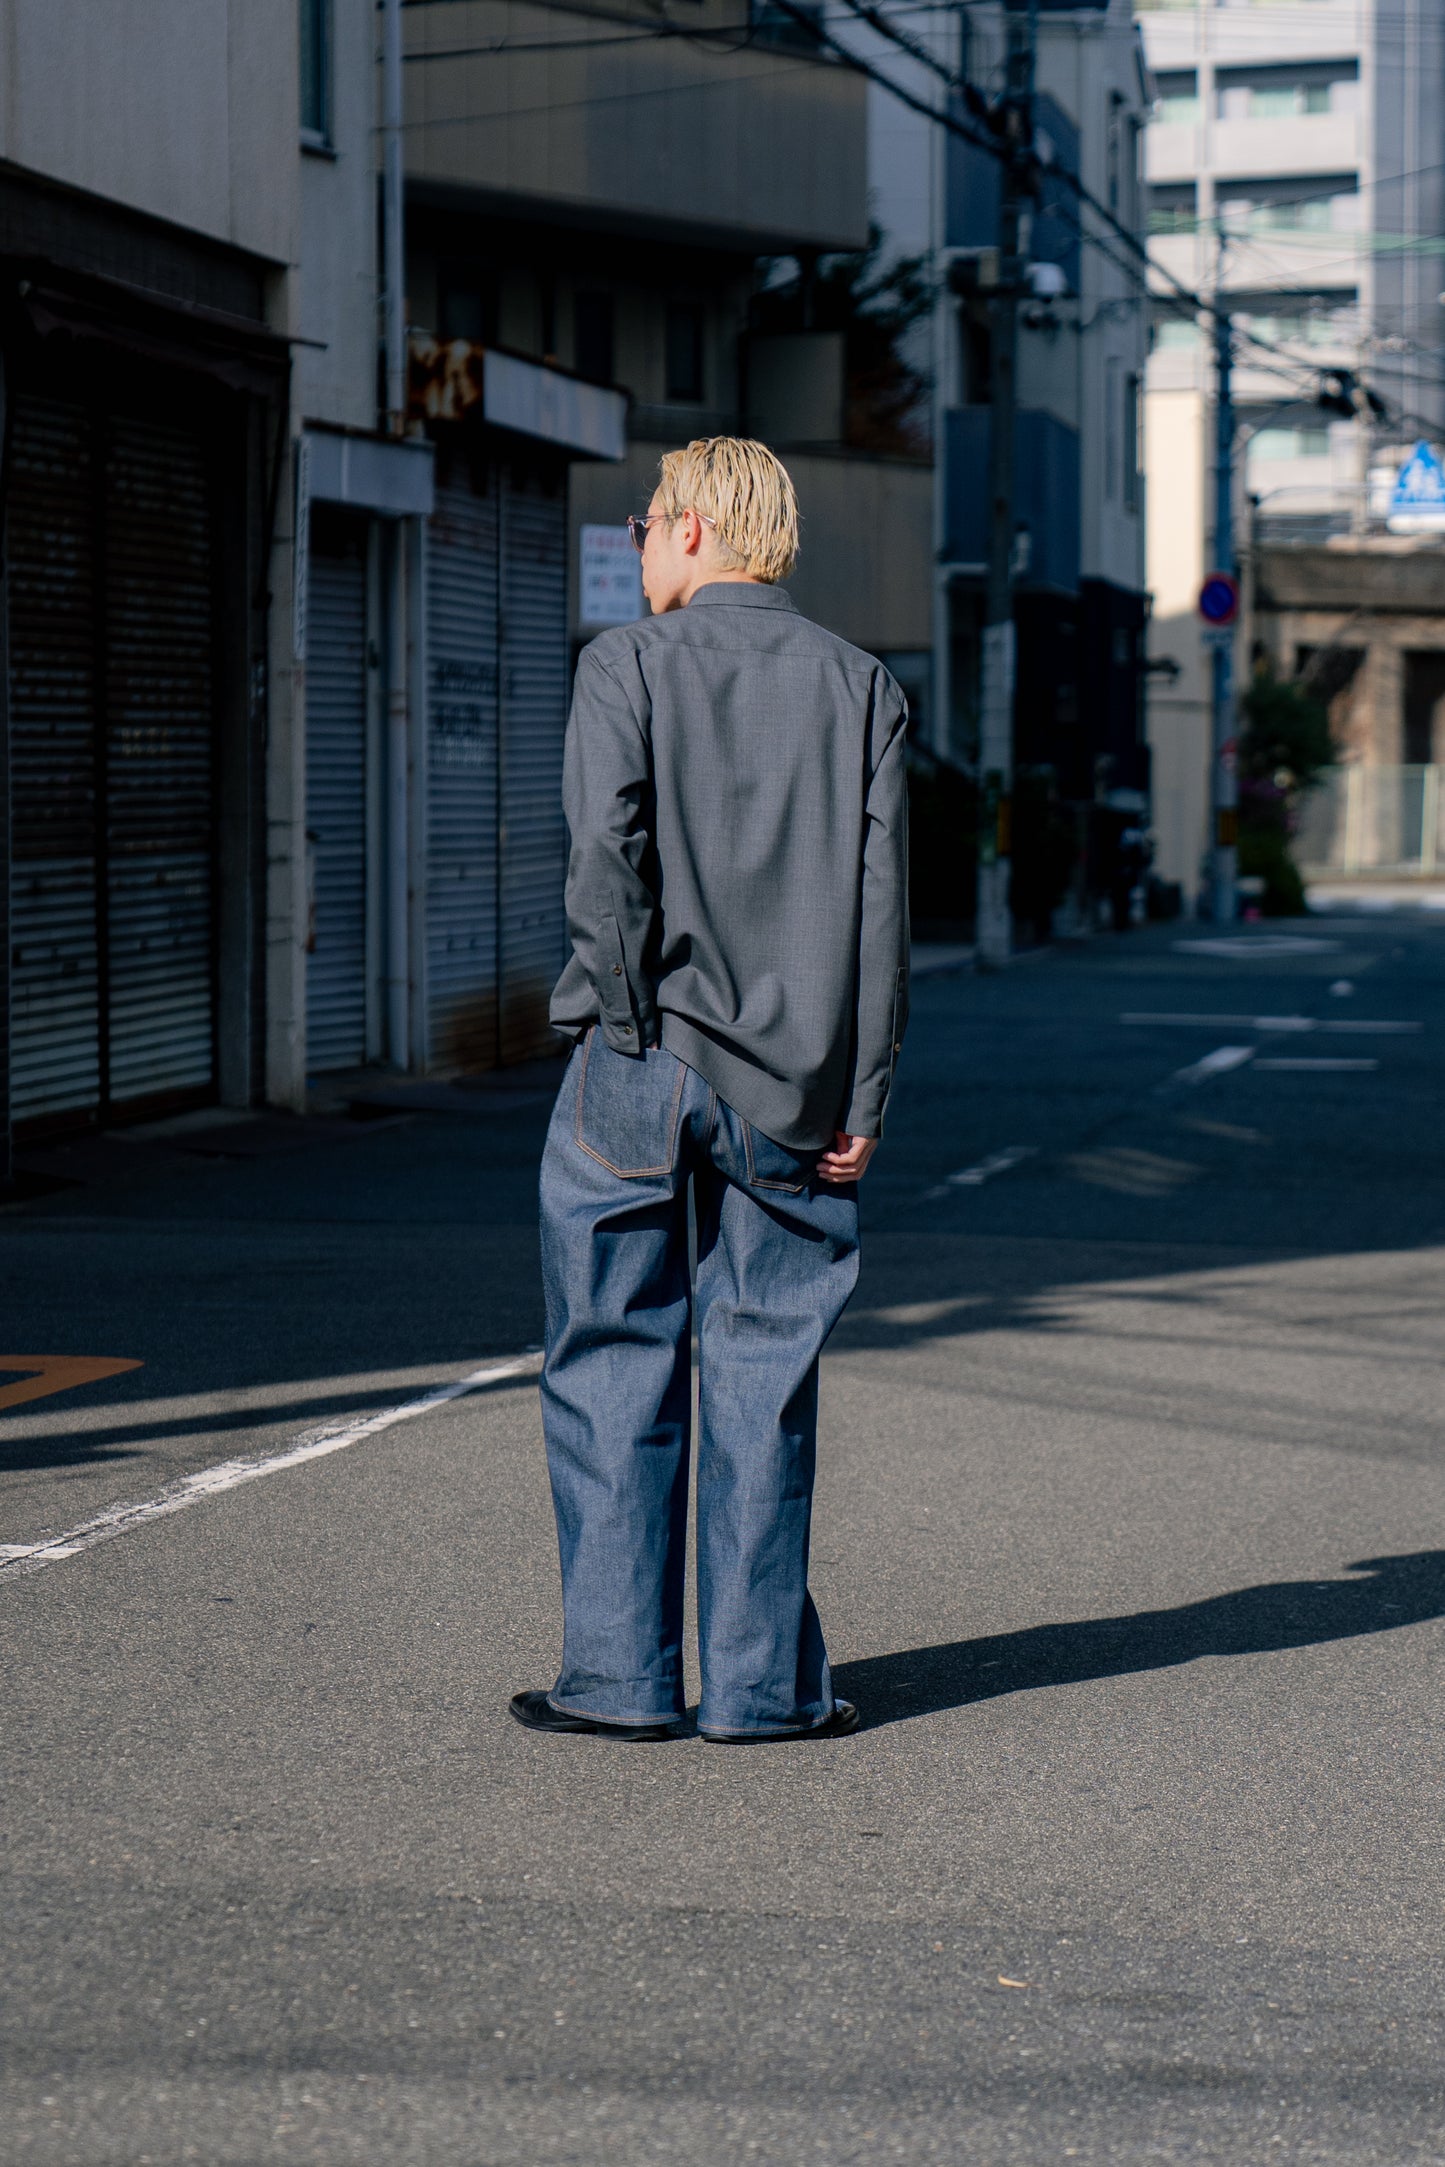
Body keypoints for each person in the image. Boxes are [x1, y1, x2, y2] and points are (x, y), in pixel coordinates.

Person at [510, 437, 909, 1745]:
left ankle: (617, 1682)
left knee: (610, 1358)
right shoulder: (860, 685)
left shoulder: (624, 664)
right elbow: (880, 913)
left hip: (640, 1057)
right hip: (794, 1082)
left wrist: (627, 1017)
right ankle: (760, 1693)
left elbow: (601, 853)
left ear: (689, 528)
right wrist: (864, 1094)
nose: (636, 547)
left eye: (642, 525)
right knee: (764, 1372)